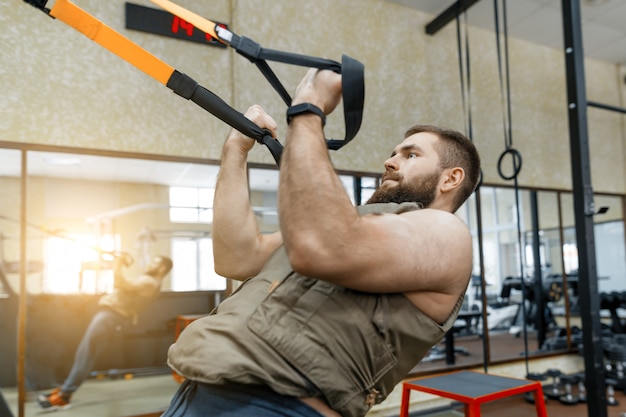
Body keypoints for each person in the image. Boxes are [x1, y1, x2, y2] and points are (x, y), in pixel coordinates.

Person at [162, 68, 481, 417]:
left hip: (277, 406)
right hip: (197, 392)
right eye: (394, 153)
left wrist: (309, 108)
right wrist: (236, 149)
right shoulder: (351, 224)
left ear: (451, 177)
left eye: (411, 155)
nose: (390, 161)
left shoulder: (447, 233)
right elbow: (236, 258)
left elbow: (322, 247)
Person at [37, 254, 173, 411]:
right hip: (108, 316)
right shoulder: (147, 280)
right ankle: (65, 389)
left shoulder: (150, 282)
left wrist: (118, 263)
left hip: (111, 316)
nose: (150, 264)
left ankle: (65, 396)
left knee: (86, 355)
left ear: (162, 268)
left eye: (154, 262)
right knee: (85, 354)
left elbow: (119, 283)